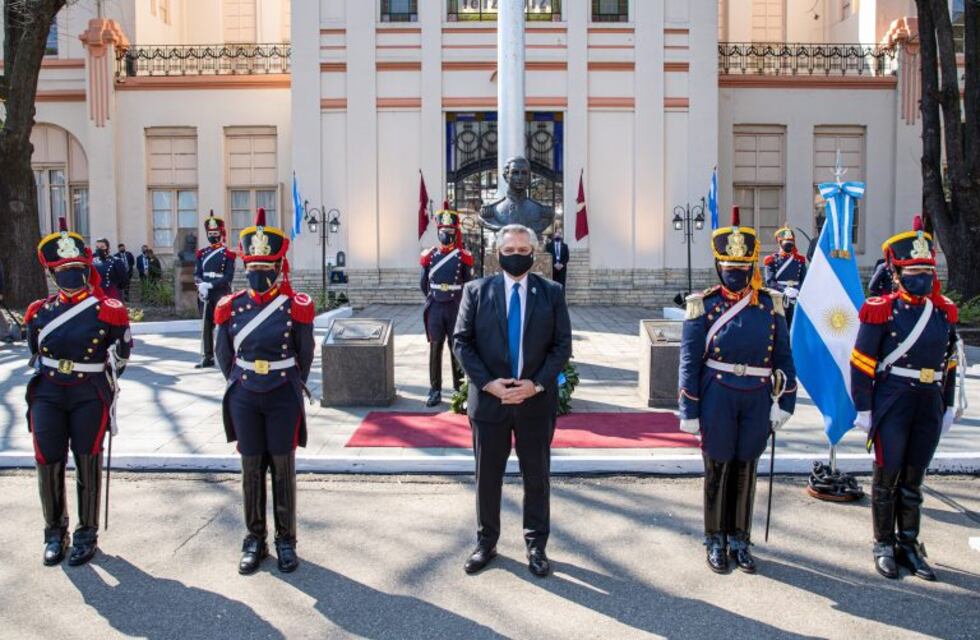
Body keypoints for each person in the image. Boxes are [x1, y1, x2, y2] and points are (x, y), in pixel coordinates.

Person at [678, 206, 797, 575]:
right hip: (717, 395)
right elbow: (689, 361)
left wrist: (786, 402)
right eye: (728, 267)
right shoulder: (704, 306)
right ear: (718, 267)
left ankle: (739, 539)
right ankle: (714, 537)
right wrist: (689, 410)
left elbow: (784, 357)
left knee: (747, 466)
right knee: (718, 468)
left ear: (751, 268)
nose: (735, 273)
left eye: (742, 268)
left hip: (757, 396)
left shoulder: (770, 305)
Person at [453, 223, 572, 577]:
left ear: (533, 254)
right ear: (497, 253)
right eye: (509, 251)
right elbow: (462, 342)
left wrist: (535, 385)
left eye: (523, 251)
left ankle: (536, 545)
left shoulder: (550, 292)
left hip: (534, 403)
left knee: (536, 477)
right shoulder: (476, 291)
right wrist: (489, 384)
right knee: (487, 477)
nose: (516, 257)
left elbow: (561, 346)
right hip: (490, 403)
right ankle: (486, 543)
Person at [850, 215, 960, 581]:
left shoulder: (943, 311)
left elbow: (950, 360)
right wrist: (864, 407)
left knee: (914, 478)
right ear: (896, 272)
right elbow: (862, 361)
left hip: (927, 401)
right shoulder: (882, 309)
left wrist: (947, 403)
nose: (922, 276)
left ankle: (908, 544)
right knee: (888, 476)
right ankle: (883, 544)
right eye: (913, 269)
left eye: (926, 269)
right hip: (893, 399)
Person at [23, 218, 132, 566]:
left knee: (88, 459)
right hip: (49, 392)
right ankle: (55, 532)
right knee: (48, 458)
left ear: (86, 269)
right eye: (64, 269)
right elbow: (34, 350)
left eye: (76, 268)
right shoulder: (39, 312)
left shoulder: (109, 311)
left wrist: (111, 372)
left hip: (88, 391)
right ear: (53, 274)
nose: (71, 275)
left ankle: (87, 534)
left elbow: (122, 354)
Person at [215, 208, 315, 575]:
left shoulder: (295, 306)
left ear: (278, 267)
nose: (259, 274)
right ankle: (254, 538)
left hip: (281, 393)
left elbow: (305, 353)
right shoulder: (231, 306)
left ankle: (286, 540)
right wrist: (242, 380)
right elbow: (223, 354)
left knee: (283, 467)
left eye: (266, 268)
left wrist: (288, 380)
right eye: (253, 267)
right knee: (251, 466)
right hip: (245, 393)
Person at [420, 205, 473, 407]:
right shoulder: (429, 256)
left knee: (455, 348)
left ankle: (459, 390)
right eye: (443, 232)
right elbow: (423, 283)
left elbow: (468, 283)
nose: (447, 236)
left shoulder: (463, 256)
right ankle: (435, 390)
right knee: (435, 348)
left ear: (456, 233)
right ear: (438, 232)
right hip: (435, 307)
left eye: (451, 233)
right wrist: (434, 297)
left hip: (455, 306)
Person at [194, 214, 236, 368]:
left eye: (215, 234)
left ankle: (226, 355)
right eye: (210, 234)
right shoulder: (201, 253)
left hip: (220, 292)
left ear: (221, 233)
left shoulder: (228, 254)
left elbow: (229, 276)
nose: (212, 236)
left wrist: (212, 285)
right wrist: (201, 285)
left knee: (224, 325)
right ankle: (207, 356)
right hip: (205, 292)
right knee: (206, 325)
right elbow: (197, 273)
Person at [763, 225, 807, 326]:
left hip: (796, 297)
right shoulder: (772, 260)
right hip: (778, 298)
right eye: (786, 243)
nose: (789, 246)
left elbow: (804, 280)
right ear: (780, 243)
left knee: (795, 325)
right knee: (780, 325)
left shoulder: (800, 260)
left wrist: (797, 289)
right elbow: (770, 281)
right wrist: (784, 290)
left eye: (791, 243)